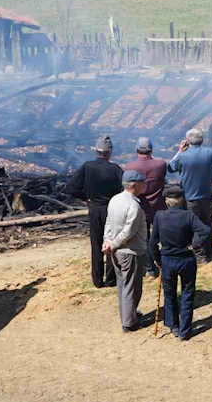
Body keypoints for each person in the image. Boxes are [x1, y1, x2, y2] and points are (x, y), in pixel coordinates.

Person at [149, 186, 211, 341]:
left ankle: (174, 326)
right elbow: (205, 230)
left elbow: (152, 242)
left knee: (170, 294)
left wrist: (157, 260)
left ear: (166, 201)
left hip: (167, 260)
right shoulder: (188, 215)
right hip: (186, 259)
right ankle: (184, 331)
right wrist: (194, 245)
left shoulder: (159, 216)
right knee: (187, 294)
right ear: (182, 200)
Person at [167, 128, 212, 264]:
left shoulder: (183, 156)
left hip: (189, 197)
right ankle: (209, 252)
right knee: (207, 224)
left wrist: (179, 151)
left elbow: (170, 168)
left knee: (194, 226)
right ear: (202, 140)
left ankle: (200, 256)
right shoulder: (211, 152)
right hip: (207, 195)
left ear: (187, 141)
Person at [67, 134, 124, 288]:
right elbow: (124, 188)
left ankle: (97, 280)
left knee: (96, 243)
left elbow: (71, 187)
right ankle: (111, 279)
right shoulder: (115, 169)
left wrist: (85, 197)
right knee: (111, 242)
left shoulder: (87, 167)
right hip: (111, 210)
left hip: (94, 209)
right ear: (110, 152)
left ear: (96, 151)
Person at [103, 170, 147, 332]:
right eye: (142, 183)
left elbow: (108, 222)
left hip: (116, 251)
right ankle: (129, 323)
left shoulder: (115, 199)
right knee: (132, 287)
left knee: (123, 285)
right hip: (130, 251)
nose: (144, 186)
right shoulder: (134, 206)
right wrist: (113, 244)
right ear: (134, 185)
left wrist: (107, 241)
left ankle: (128, 314)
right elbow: (129, 232)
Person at [125, 137, 167, 278]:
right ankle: (164, 264)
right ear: (151, 150)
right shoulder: (160, 165)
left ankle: (150, 269)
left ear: (136, 149)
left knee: (144, 239)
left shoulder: (129, 167)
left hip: (140, 208)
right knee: (162, 237)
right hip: (158, 207)